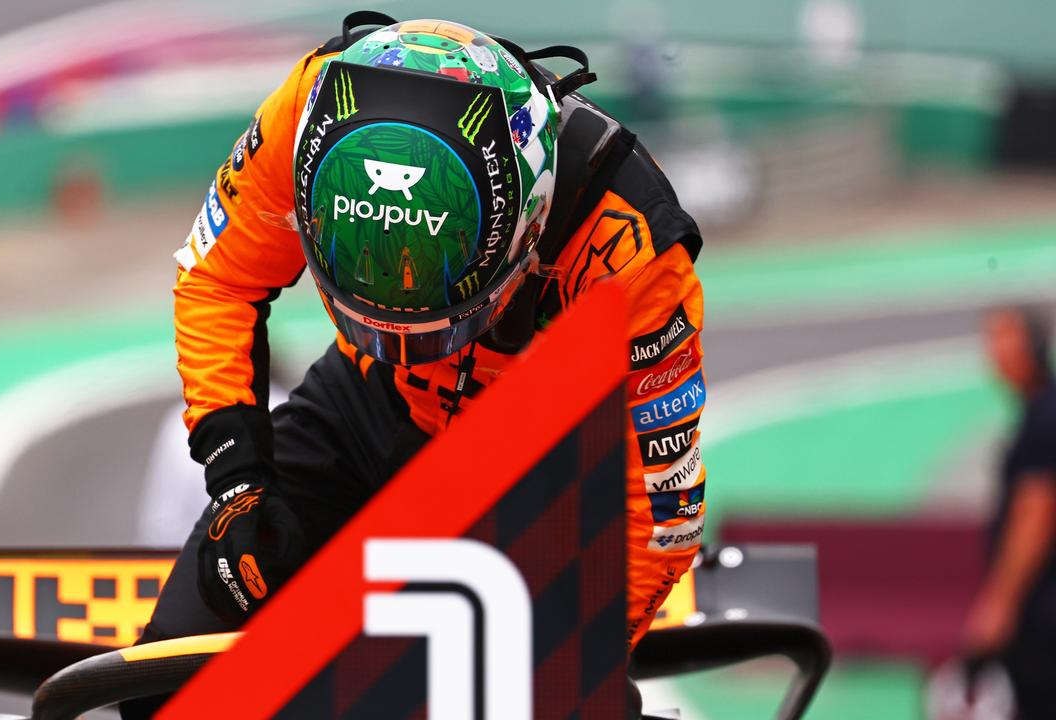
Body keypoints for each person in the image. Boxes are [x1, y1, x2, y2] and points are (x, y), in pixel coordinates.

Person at [123, 14, 707, 716]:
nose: (401, 333)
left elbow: (662, 509)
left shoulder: (630, 242)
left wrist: (571, 652)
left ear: (531, 228)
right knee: (164, 683)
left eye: (430, 323)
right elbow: (217, 279)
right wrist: (238, 478)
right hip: (363, 408)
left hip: (539, 473)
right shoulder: (310, 108)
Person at [963, 306, 1056, 718]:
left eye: (1006, 339)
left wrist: (1000, 602)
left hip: (1044, 609)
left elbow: (1036, 510)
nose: (997, 352)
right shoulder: (1035, 412)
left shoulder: (1045, 419)